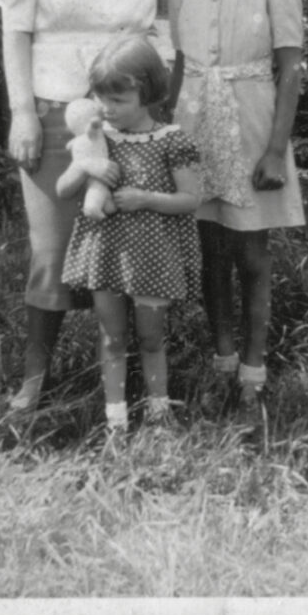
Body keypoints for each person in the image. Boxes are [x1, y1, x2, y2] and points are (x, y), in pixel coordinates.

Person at [0, 0, 189, 413]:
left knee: (131, 248)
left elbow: (164, 35)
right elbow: (17, 28)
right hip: (53, 110)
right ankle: (34, 382)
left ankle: (130, 394)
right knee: (51, 251)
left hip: (132, 117)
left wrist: (159, 112)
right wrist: (23, 111)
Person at [167, 0, 305, 423]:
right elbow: (176, 66)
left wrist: (275, 149)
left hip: (251, 126)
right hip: (195, 123)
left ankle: (254, 375)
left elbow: (291, 68)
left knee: (250, 252)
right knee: (209, 251)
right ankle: (221, 364)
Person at [59, 35, 202, 438]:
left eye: (117, 101)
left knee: (151, 338)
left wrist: (146, 198)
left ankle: (159, 415)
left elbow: (191, 199)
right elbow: (64, 190)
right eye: (101, 98)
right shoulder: (97, 137)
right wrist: (87, 165)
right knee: (112, 337)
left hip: (153, 259)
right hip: (106, 255)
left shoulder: (171, 140)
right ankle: (115, 421)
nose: (107, 109)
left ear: (146, 92)